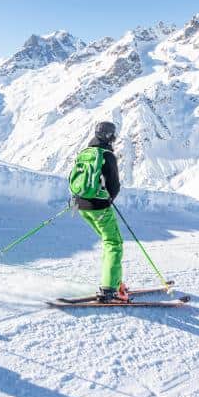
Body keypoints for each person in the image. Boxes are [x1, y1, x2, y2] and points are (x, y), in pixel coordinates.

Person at [72, 121, 128, 302]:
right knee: (114, 243)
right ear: (110, 136)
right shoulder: (107, 155)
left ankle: (116, 282)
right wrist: (109, 198)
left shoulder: (86, 152)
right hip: (99, 207)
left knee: (108, 241)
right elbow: (114, 185)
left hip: (81, 205)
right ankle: (109, 289)